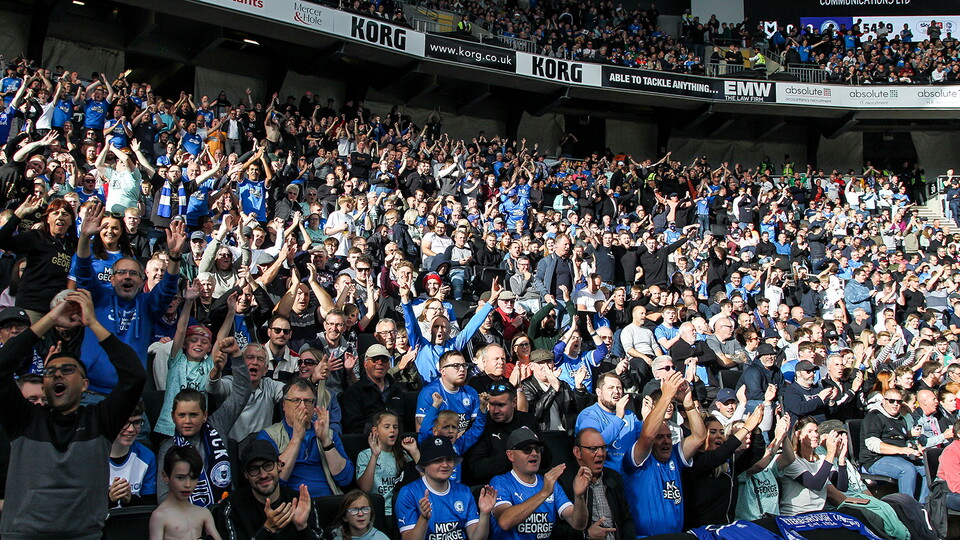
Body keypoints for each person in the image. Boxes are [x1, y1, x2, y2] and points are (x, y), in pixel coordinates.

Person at [0, 289, 145, 540]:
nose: (57, 374)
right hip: (23, 534)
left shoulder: (100, 420)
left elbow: (135, 375)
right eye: (50, 372)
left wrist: (93, 323)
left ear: (85, 384)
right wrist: (51, 319)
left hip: (83, 535)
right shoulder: (23, 419)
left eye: (68, 369)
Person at [74, 202, 182, 395]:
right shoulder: (98, 298)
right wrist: (84, 236)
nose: (127, 277)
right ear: (112, 279)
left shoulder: (147, 305)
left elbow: (168, 288)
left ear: (142, 281)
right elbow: (82, 270)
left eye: (133, 274)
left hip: (130, 395)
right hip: (92, 392)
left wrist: (174, 257)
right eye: (121, 272)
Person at [157, 337, 251, 506]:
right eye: (181, 415)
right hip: (185, 521)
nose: (187, 421)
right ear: (173, 417)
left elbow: (241, 393)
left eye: (193, 415)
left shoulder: (217, 425)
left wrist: (236, 355)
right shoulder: (168, 448)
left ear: (205, 415)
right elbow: (163, 497)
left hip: (224, 511)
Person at [622, 370, 706, 537]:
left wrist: (687, 402)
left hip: (676, 536)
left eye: (668, 436)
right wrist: (667, 395)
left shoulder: (674, 454)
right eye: (660, 437)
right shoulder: (636, 459)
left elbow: (699, 436)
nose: (666, 441)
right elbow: (647, 435)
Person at [489, 426, 590, 539]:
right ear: (511, 455)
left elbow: (578, 524)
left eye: (537, 449)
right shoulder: (500, 482)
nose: (534, 453)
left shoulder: (550, 483)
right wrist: (544, 492)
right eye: (527, 450)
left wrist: (579, 496)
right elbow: (505, 522)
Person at [257, 378, 354, 496]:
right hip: (289, 503)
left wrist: (326, 442)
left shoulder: (328, 434)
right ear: (283, 405)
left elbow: (345, 479)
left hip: (328, 500)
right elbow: (276, 480)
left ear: (314, 406)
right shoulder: (268, 436)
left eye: (308, 401)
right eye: (296, 400)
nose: (303, 406)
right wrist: (296, 438)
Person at [214, 439, 321, 539]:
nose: (263, 475)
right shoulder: (232, 507)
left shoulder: (300, 502)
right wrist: (267, 530)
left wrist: (302, 527)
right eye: (254, 469)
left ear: (279, 465)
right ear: (246, 474)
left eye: (268, 465)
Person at [395, 435, 496, 540]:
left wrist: (484, 514)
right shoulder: (409, 492)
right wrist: (423, 519)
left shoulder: (464, 491)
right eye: (437, 460)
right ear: (424, 464)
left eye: (449, 459)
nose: (445, 464)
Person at [860, 388, 928, 501]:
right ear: (884, 400)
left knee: (926, 469)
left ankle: (921, 507)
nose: (895, 404)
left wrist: (915, 449)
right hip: (875, 459)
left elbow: (903, 439)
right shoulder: (874, 417)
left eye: (899, 401)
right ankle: (907, 507)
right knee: (907, 469)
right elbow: (872, 444)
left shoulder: (900, 419)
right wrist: (902, 450)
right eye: (891, 401)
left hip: (899, 458)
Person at [779, 416, 849, 515]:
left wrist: (841, 459)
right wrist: (830, 454)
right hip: (795, 515)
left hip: (817, 515)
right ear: (798, 435)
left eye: (816, 431)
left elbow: (842, 487)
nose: (815, 435)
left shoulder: (821, 459)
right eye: (810, 431)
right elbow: (815, 484)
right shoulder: (792, 460)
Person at [149, 445, 222, 540]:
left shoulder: (203, 513)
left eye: (193, 478)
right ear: (165, 476)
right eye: (180, 478)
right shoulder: (160, 516)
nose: (188, 485)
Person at [575, 371, 639, 473]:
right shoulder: (589, 415)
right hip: (604, 477)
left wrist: (647, 418)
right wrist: (618, 417)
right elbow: (594, 446)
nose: (616, 391)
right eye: (611, 388)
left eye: (619, 388)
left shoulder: (630, 415)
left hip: (631, 475)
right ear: (599, 392)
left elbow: (645, 439)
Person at [339, 344, 404, 434]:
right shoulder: (354, 392)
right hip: (367, 442)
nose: (380, 363)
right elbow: (354, 427)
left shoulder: (397, 390)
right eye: (374, 360)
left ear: (389, 364)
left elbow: (404, 421)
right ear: (365, 364)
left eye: (384, 360)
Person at [109, 400, 158, 507]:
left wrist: (130, 500)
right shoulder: (93, 455)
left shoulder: (147, 457)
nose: (131, 429)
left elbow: (150, 504)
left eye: (136, 423)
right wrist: (109, 499)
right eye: (124, 422)